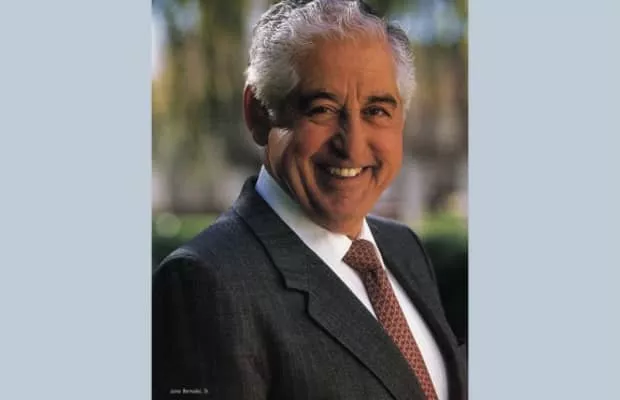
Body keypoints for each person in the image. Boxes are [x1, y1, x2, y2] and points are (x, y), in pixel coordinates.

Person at [152, 1, 467, 399]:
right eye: (322, 109)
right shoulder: (205, 283)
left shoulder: (403, 248)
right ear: (258, 114)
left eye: (376, 110)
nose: (352, 147)